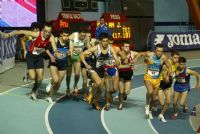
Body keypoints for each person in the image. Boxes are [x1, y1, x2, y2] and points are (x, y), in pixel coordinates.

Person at [1, 23, 60, 101]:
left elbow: (55, 49)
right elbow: (21, 31)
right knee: (32, 77)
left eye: (49, 32)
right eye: (45, 31)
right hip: (31, 56)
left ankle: (33, 92)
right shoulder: (36, 34)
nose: (47, 33)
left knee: (40, 79)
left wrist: (57, 53)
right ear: (42, 30)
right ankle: (27, 74)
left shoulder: (51, 38)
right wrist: (8, 35)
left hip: (39, 57)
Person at [80, 32, 119, 110]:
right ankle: (90, 93)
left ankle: (94, 102)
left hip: (102, 71)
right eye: (104, 41)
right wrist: (86, 64)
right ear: (100, 41)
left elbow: (117, 61)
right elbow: (81, 54)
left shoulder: (110, 49)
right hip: (93, 69)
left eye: (107, 41)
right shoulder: (96, 48)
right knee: (98, 82)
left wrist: (115, 63)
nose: (105, 43)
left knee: (100, 91)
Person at [140, 44, 172, 119]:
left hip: (157, 80)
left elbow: (169, 64)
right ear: (155, 50)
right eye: (158, 51)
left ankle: (150, 111)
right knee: (150, 92)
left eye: (161, 51)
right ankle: (147, 105)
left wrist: (170, 72)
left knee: (154, 100)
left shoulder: (163, 57)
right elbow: (140, 53)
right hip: (148, 77)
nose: (159, 53)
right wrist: (134, 59)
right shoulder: (150, 54)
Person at [45, 29, 70, 103]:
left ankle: (49, 96)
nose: (66, 37)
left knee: (58, 83)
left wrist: (69, 53)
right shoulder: (55, 40)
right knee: (56, 80)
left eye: (67, 36)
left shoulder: (70, 42)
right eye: (64, 35)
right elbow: (46, 49)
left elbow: (70, 52)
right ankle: (51, 83)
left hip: (63, 64)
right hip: (54, 63)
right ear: (61, 35)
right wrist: (51, 57)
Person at [117, 41, 140, 110]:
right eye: (126, 46)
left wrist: (135, 59)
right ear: (122, 47)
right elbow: (118, 66)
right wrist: (128, 65)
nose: (128, 48)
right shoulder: (119, 55)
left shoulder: (132, 53)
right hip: (120, 74)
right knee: (120, 91)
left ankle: (125, 93)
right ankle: (120, 104)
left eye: (128, 46)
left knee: (127, 91)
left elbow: (140, 54)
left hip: (128, 74)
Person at [158, 50, 179, 122]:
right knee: (162, 103)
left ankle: (161, 115)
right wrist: (172, 77)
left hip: (168, 85)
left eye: (177, 58)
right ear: (171, 57)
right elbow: (164, 78)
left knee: (168, 102)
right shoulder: (166, 64)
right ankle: (154, 101)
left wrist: (174, 76)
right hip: (161, 84)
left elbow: (175, 74)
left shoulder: (176, 65)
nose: (176, 59)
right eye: (175, 58)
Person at [66, 30, 88, 96]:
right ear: (78, 34)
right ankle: (68, 88)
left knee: (77, 74)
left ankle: (75, 85)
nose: (83, 37)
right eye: (82, 35)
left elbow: (86, 47)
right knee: (68, 75)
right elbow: (66, 43)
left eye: (84, 36)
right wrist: (72, 49)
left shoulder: (85, 39)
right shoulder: (73, 35)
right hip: (69, 57)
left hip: (77, 57)